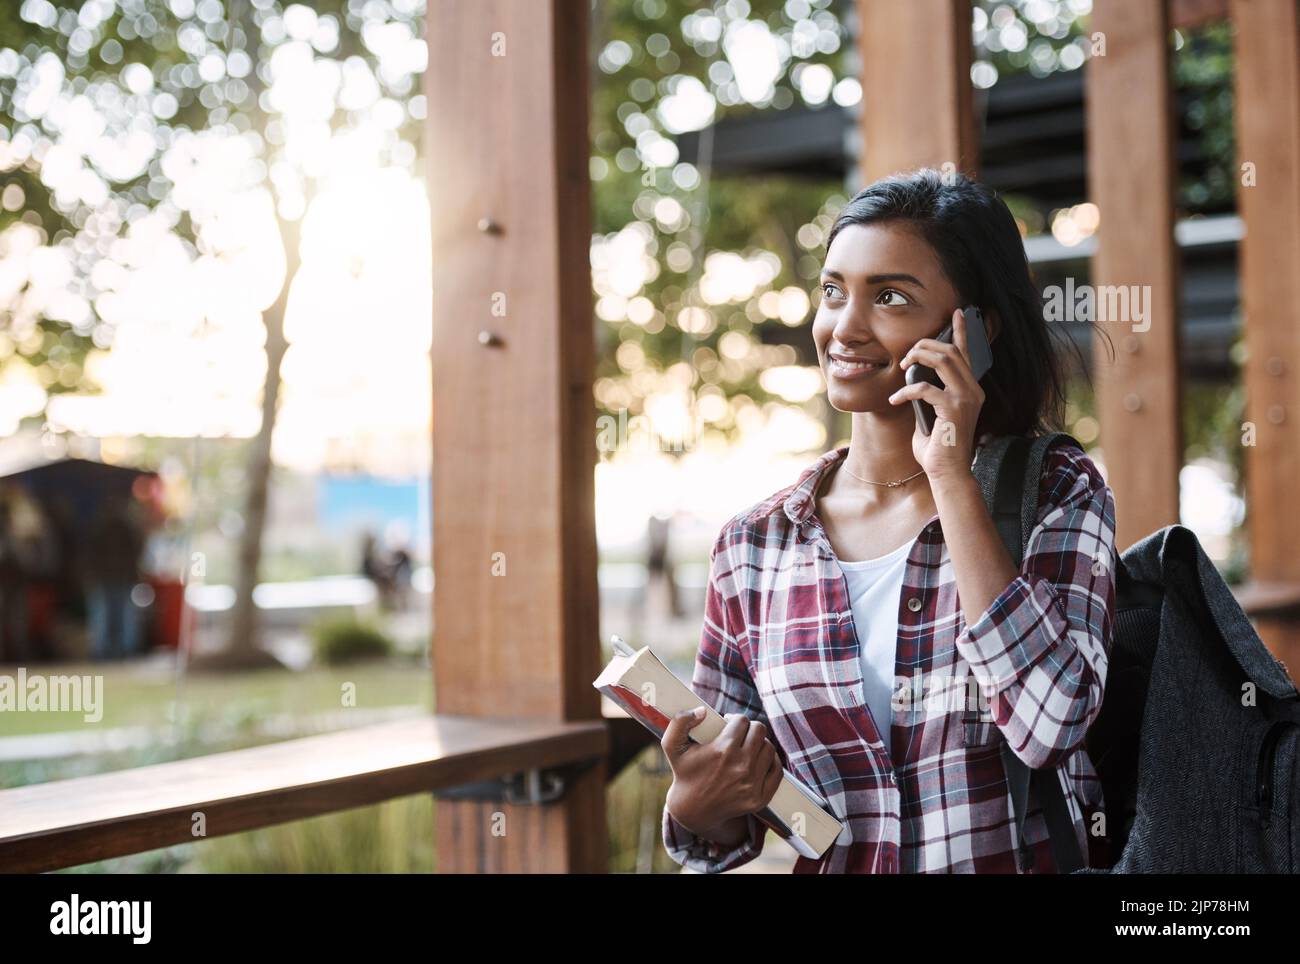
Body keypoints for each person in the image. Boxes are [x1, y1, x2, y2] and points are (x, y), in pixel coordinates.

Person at [660, 168, 1117, 874]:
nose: (844, 327)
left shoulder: (1054, 489)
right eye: (833, 291)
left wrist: (950, 476)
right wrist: (695, 809)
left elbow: (1051, 724)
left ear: (973, 329)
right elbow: (739, 815)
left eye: (891, 298)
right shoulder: (754, 546)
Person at [83, 490, 146, 661]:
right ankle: (120, 649)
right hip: (116, 576)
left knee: (109, 615)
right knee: (118, 615)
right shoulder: (125, 527)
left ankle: (107, 649)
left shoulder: (102, 527)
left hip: (111, 576)